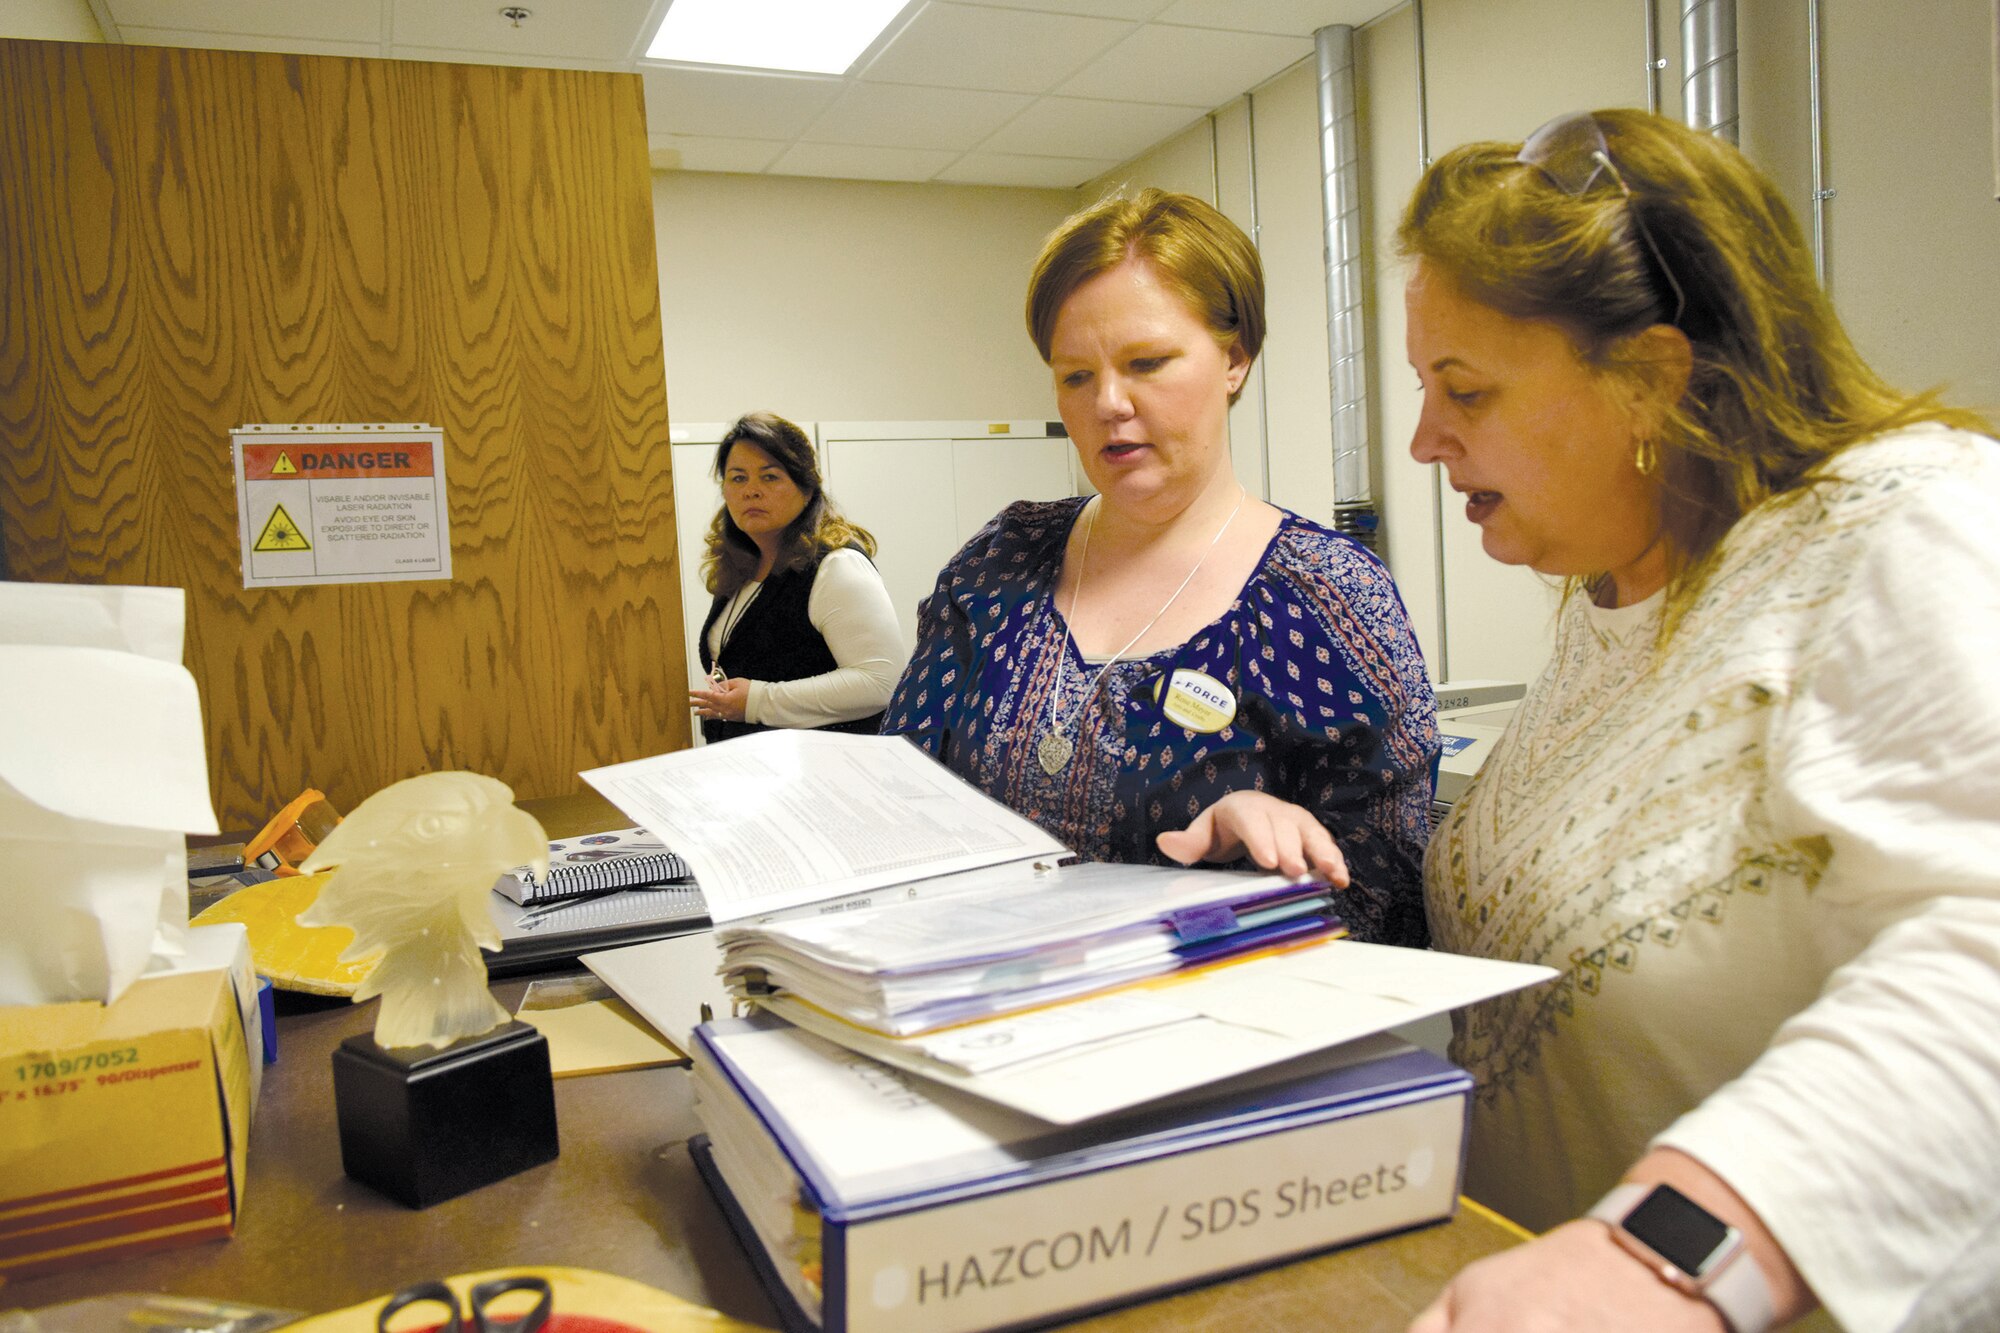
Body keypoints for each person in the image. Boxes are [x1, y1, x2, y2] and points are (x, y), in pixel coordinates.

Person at [1400, 109, 2000, 1332]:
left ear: (1651, 380)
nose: (1422, 440)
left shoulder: (1905, 529)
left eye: (1462, 391)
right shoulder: (1619, 584)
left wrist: (1668, 1253)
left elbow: (1978, 961)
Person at [881, 190, 1438, 946]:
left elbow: (1391, 904)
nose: (1109, 402)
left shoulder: (1329, 600)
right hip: (979, 1017)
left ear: (1235, 358)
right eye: (1075, 376)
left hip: (1214, 1040)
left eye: (1147, 362)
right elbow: (896, 803)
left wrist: (1262, 871)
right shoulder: (998, 565)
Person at [689, 412, 908, 744]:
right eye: (738, 478)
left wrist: (758, 701)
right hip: (753, 772)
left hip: (827, 778)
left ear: (806, 488)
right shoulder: (741, 568)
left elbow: (880, 682)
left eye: (770, 477)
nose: (751, 491)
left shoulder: (837, 566)